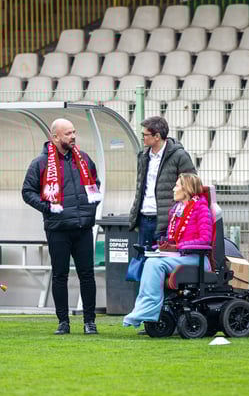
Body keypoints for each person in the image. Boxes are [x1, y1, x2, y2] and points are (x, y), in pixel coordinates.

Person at [21, 118, 101, 335]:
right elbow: (27, 192)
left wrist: (90, 207)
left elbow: (95, 185)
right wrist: (47, 207)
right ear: (54, 137)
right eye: (68, 133)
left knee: (87, 275)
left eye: (74, 132)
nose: (73, 136)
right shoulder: (40, 163)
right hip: (57, 227)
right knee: (60, 275)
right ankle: (63, 321)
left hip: (83, 226)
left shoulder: (83, 159)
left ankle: (89, 321)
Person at [122, 173, 212, 328]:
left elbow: (205, 240)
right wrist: (164, 246)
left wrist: (178, 247)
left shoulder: (201, 209)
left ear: (187, 189)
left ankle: (148, 309)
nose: (173, 189)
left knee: (155, 264)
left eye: (177, 185)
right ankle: (144, 308)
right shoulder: (177, 210)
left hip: (196, 258)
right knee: (151, 260)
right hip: (181, 256)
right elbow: (174, 239)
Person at [129, 116, 196, 251]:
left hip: (166, 221)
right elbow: (140, 188)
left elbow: (191, 186)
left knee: (161, 264)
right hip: (144, 218)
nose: (143, 138)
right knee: (142, 261)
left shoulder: (180, 156)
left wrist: (178, 213)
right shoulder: (143, 156)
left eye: (145, 135)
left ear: (157, 136)